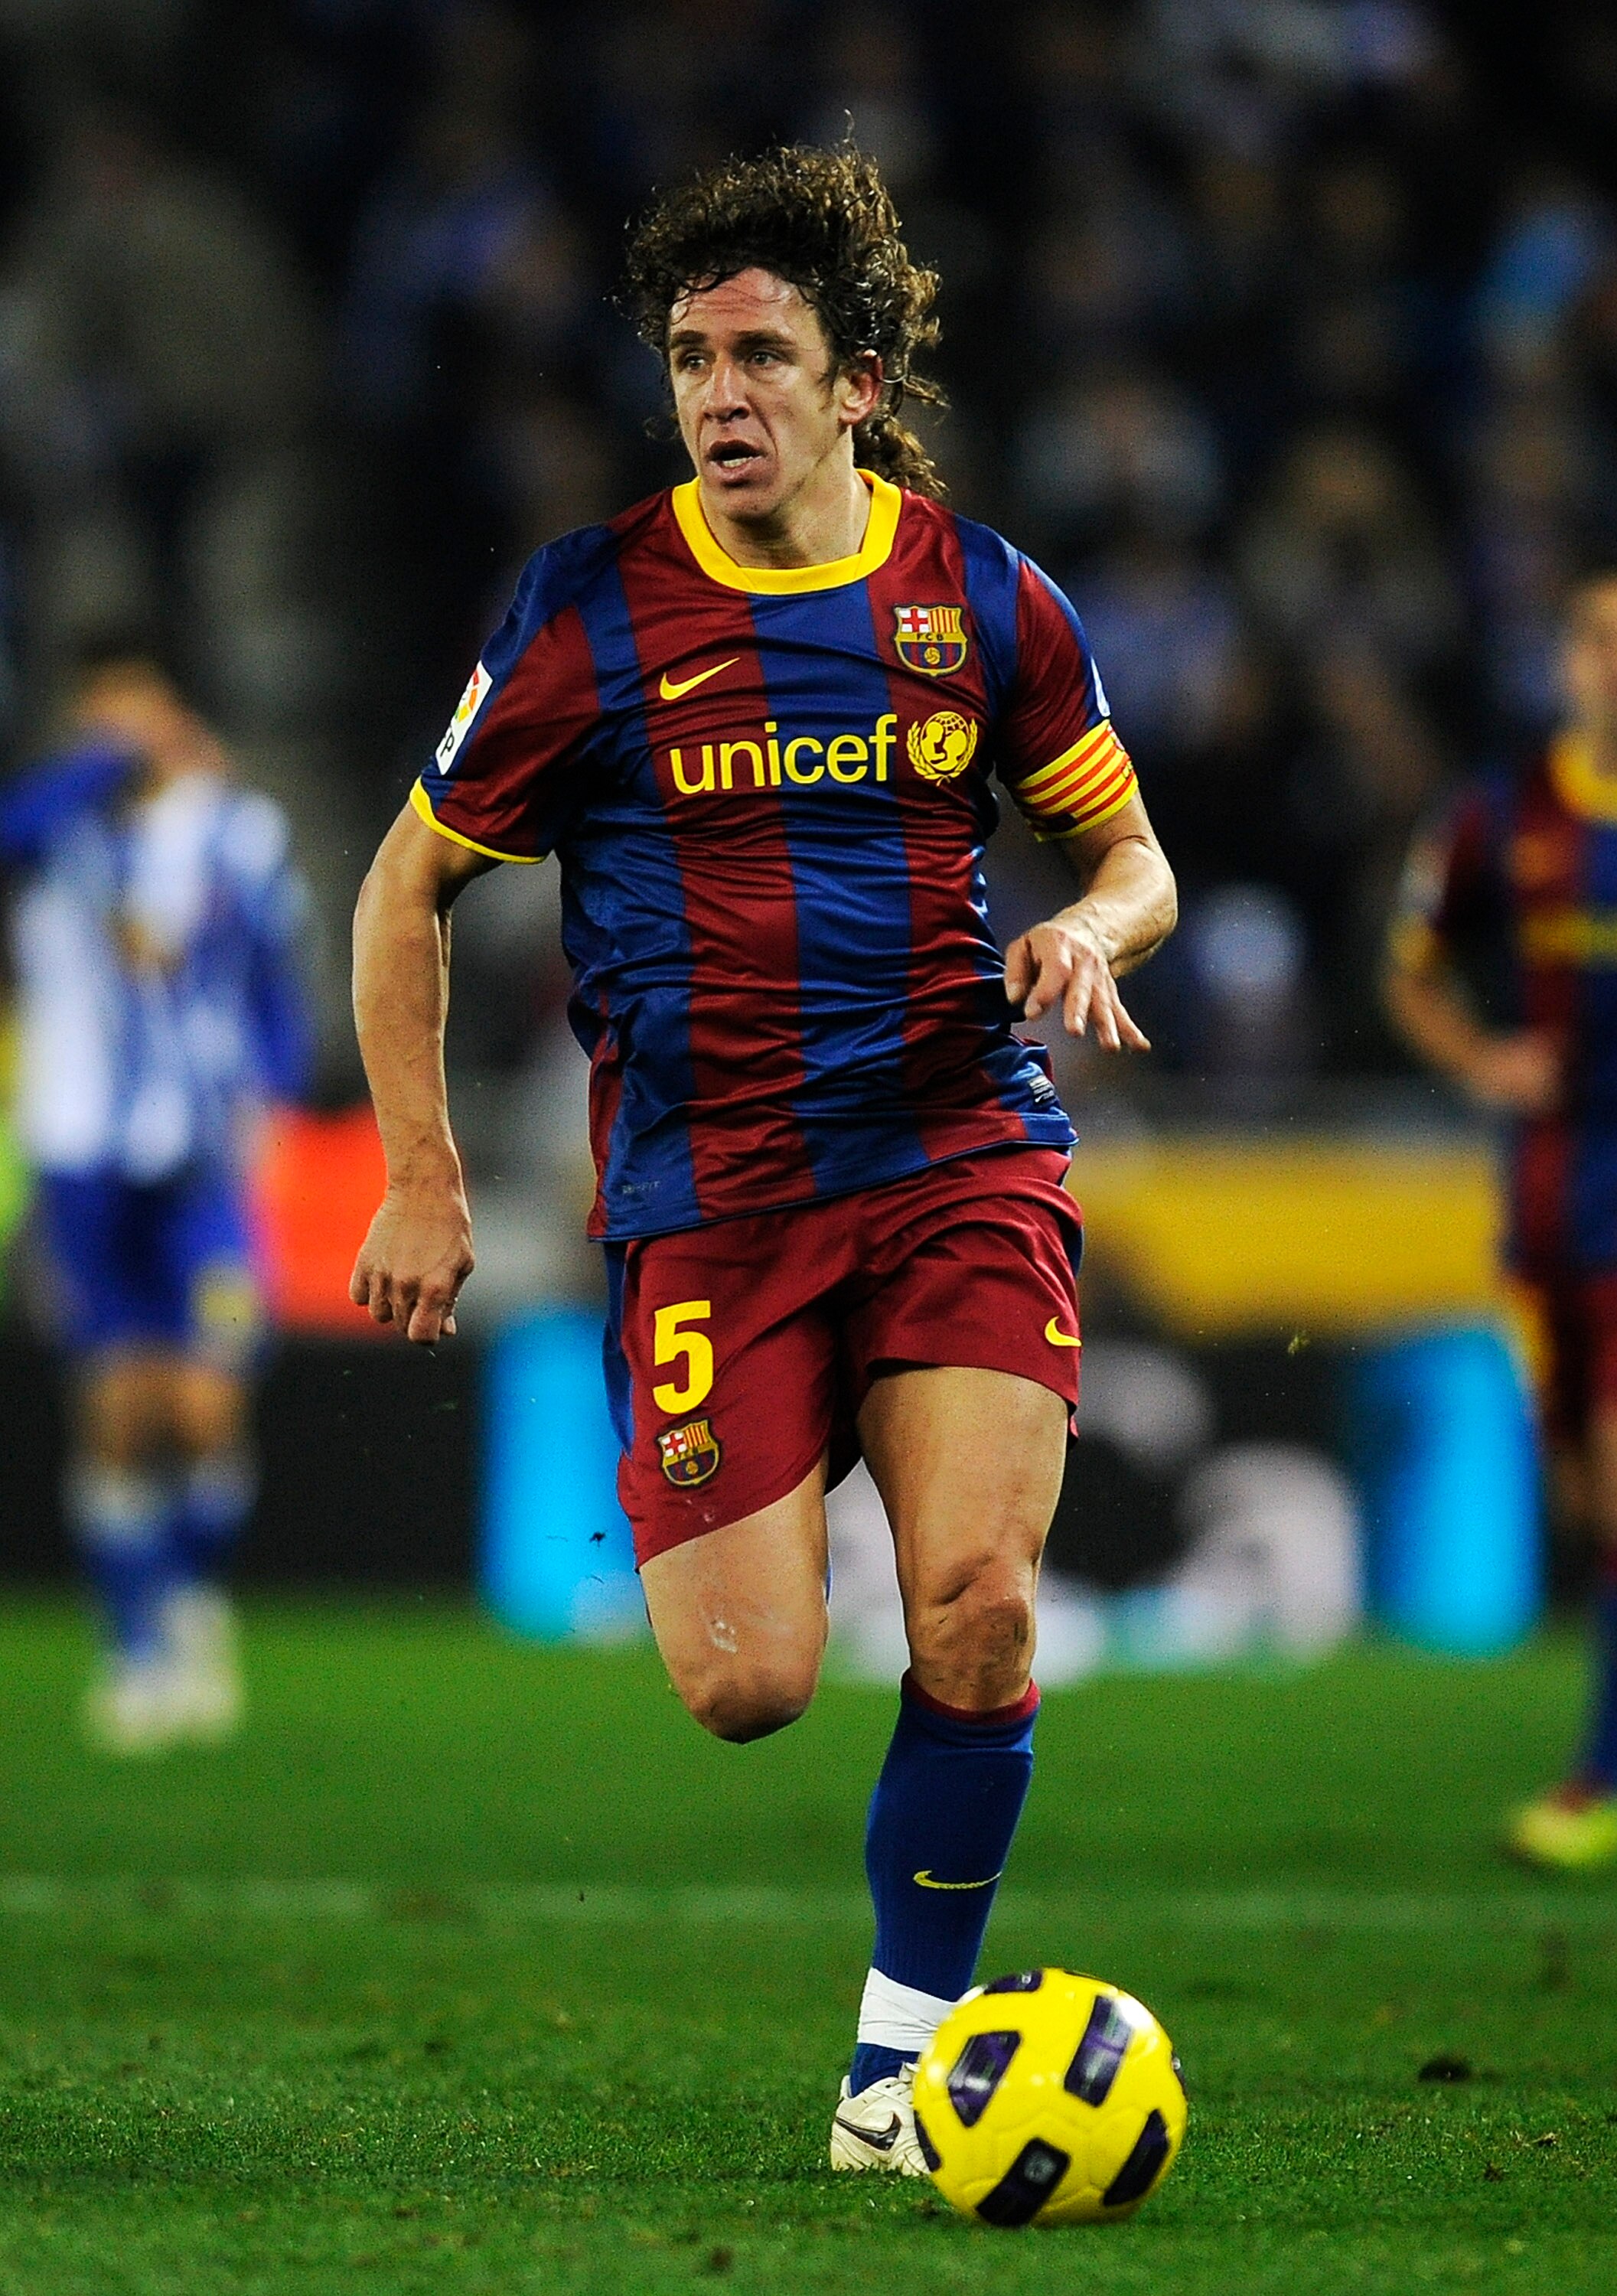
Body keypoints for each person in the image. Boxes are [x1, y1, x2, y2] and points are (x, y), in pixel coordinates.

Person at [351, 145, 1175, 2170]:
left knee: (976, 1602)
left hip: (958, 1146)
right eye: (690, 359)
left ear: (855, 386)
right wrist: (424, 1173)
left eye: (760, 357)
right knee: (747, 1684)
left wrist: (1092, 927)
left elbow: (1135, 856)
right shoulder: (589, 608)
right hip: (712, 1198)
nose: (718, 394)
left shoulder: (982, 597)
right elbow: (402, 889)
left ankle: (900, 2070)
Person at [0, 643, 313, 1753]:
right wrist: (102, 766)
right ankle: (133, 1648)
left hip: (203, 1162)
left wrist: (277, 1100)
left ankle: (190, 1599)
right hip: (81, 1155)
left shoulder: (236, 832)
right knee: (118, 1410)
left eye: (140, 715)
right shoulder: (53, 837)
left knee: (207, 1406)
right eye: (103, 721)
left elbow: (278, 983)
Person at [1386, 572, 1617, 1870]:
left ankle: (1596, 1781)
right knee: (1586, 1497)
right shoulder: (1499, 814)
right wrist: (1481, 1060)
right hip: (1545, 1199)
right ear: (1567, 662)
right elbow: (1409, 970)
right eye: (1598, 642)